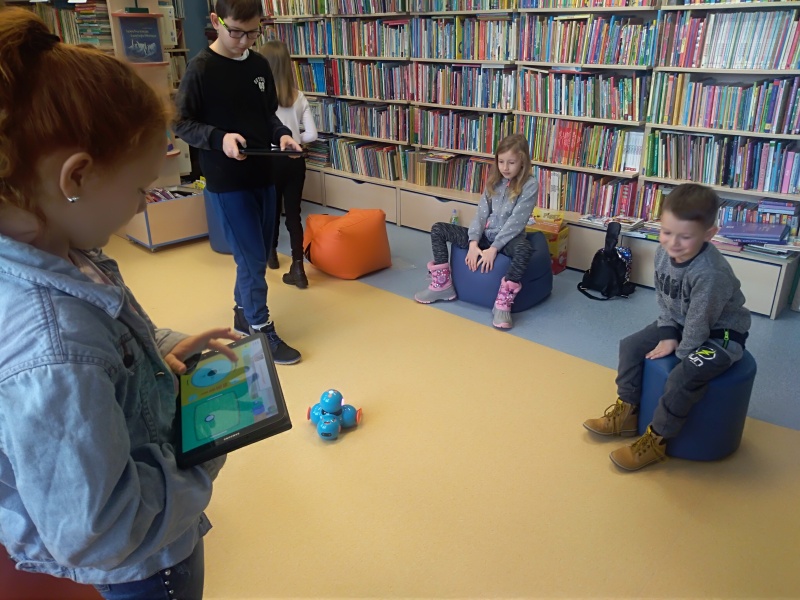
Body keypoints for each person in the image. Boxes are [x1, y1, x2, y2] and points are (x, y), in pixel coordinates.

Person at [0, 8, 238, 598]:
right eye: (139, 188)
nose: (141, 204)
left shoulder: (61, 251)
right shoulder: (54, 345)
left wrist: (159, 349)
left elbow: (109, 340)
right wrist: (206, 449)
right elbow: (101, 530)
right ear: (76, 178)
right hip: (146, 567)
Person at [583, 183, 751, 471]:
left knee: (681, 377)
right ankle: (627, 413)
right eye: (667, 232)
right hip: (681, 320)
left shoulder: (710, 273)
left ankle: (657, 439)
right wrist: (667, 332)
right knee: (630, 345)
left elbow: (700, 322)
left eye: (685, 237)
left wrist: (681, 353)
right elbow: (664, 298)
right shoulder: (664, 253)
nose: (673, 243)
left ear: (708, 234)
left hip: (721, 334)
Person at [174, 0, 304, 364]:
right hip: (227, 182)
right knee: (252, 260)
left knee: (256, 254)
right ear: (216, 20)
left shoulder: (259, 65)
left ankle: (242, 312)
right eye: (236, 32)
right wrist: (220, 138)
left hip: (264, 175)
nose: (245, 41)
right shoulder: (201, 68)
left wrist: (282, 135)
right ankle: (260, 328)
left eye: (253, 33)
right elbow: (181, 123)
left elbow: (267, 116)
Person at [414, 134, 538, 329]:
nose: (505, 167)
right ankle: (443, 285)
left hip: (508, 240)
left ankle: (503, 302)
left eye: (511, 162)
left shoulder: (530, 185)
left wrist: (494, 249)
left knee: (524, 249)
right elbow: (481, 215)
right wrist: (473, 243)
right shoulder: (494, 181)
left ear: (522, 161)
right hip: (485, 236)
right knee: (438, 229)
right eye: (501, 162)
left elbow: (516, 222)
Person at [260, 39, 318, 289]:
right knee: (294, 214)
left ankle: (271, 255)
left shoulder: (261, 97)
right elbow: (312, 135)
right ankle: (298, 268)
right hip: (295, 160)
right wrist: (295, 140)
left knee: (271, 211)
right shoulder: (299, 96)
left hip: (271, 161)